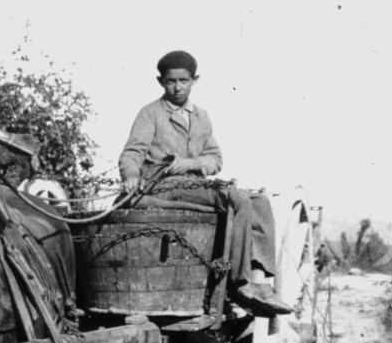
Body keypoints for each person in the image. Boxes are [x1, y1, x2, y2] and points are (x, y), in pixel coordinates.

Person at [118, 50, 292, 316]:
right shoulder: (150, 114)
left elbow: (215, 158)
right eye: (170, 81)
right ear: (161, 81)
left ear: (194, 80)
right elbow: (132, 152)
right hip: (165, 185)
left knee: (260, 201)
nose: (177, 87)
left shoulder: (201, 117)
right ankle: (239, 283)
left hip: (194, 185)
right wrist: (131, 175)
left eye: (184, 81)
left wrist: (191, 164)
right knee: (239, 199)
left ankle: (259, 281)